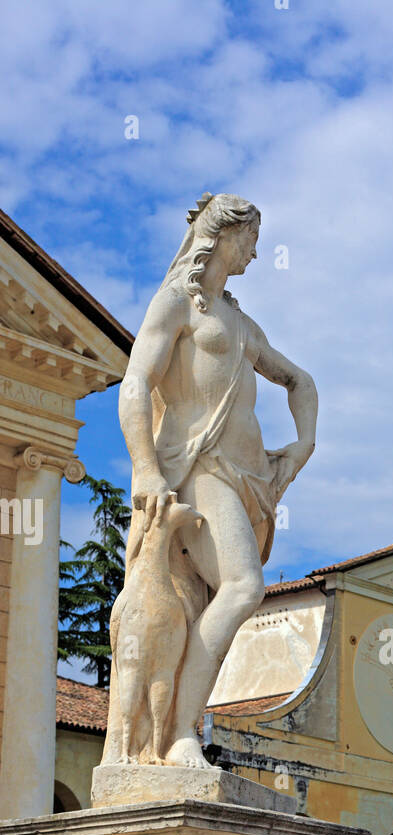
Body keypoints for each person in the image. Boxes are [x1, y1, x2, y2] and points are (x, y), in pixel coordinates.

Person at [102, 192, 317, 768]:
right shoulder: (177, 304)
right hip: (196, 467)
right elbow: (134, 386)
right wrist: (146, 467)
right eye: (250, 237)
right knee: (243, 587)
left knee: (203, 605)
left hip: (244, 478)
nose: (256, 249)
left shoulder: (240, 321)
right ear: (222, 234)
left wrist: (302, 445)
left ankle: (176, 731)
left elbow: (300, 381)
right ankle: (177, 735)